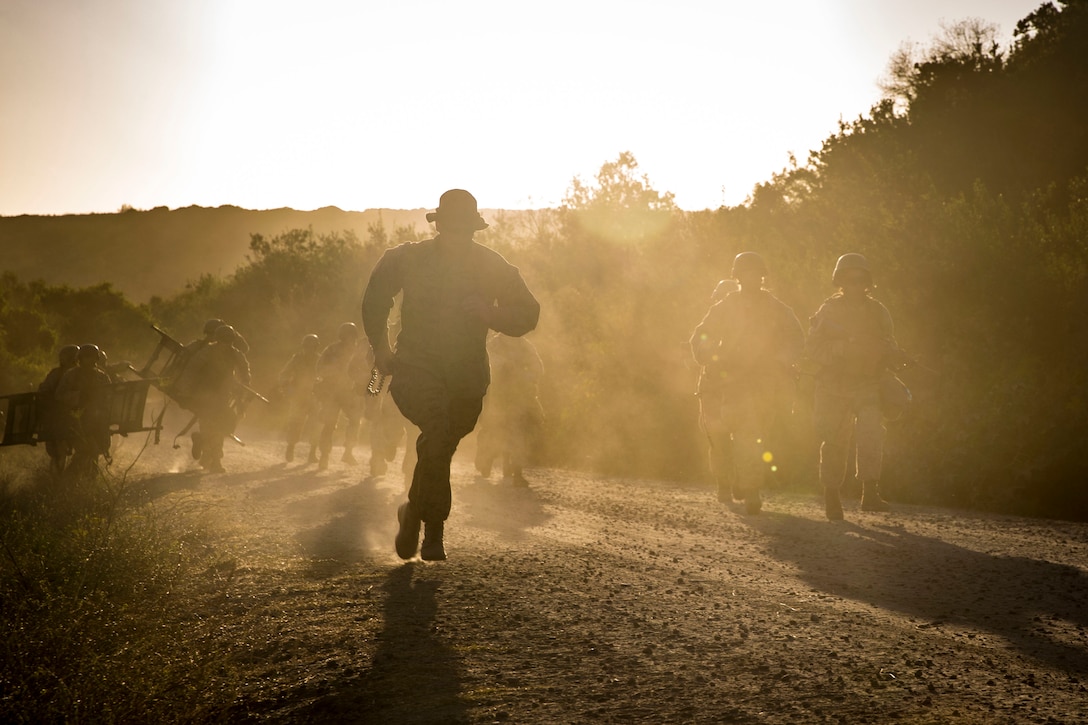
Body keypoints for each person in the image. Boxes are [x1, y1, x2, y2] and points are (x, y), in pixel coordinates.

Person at [362, 189, 540, 561]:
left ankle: (412, 510)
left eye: (464, 230)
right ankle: (434, 531)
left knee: (438, 444)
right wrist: (381, 348)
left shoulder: (492, 266)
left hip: (467, 378)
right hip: (415, 369)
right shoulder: (409, 258)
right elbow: (375, 297)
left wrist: (491, 315)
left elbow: (528, 313)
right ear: (439, 226)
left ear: (474, 230)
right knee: (438, 429)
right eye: (451, 228)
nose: (457, 236)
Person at [689, 252, 803, 514]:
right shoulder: (725, 307)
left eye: (756, 273)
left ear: (763, 276)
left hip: (760, 384)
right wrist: (712, 359)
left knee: (753, 437)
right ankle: (734, 487)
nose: (751, 278)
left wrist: (781, 359)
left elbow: (796, 337)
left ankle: (748, 487)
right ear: (737, 276)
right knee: (725, 437)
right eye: (745, 273)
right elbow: (701, 337)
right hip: (726, 384)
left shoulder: (776, 307)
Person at [804, 253, 911, 520]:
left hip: (867, 383)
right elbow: (813, 349)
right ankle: (832, 495)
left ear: (867, 282)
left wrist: (892, 355)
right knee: (834, 441)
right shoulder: (828, 311)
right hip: (834, 385)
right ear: (840, 281)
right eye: (849, 279)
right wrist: (843, 349)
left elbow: (889, 343)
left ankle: (870, 493)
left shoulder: (878, 311)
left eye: (860, 279)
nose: (855, 284)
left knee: (871, 434)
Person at [178, 324, 251, 473]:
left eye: (228, 341)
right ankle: (215, 460)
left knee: (219, 426)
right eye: (224, 341)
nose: (225, 345)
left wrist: (244, 386)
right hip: (205, 396)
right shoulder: (210, 352)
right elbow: (192, 369)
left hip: (220, 396)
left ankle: (204, 444)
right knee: (213, 426)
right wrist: (185, 390)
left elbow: (245, 371)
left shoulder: (223, 352)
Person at [474, 332, 545, 486]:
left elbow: (538, 367)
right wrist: (504, 369)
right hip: (499, 396)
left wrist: (527, 377)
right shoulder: (494, 344)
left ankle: (517, 471)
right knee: (492, 427)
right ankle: (487, 457)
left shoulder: (525, 345)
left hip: (521, 396)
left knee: (529, 425)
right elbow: (486, 364)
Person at [55, 344, 113, 479]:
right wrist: (78, 396)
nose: (90, 360)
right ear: (80, 358)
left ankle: (87, 480)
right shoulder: (71, 375)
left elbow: (110, 396)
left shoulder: (101, 376)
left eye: (92, 357)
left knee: (95, 451)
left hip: (97, 421)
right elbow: (59, 395)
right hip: (76, 420)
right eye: (87, 357)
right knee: (86, 451)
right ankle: (69, 480)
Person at [314, 322, 366, 471]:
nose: (349, 339)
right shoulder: (331, 350)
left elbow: (364, 369)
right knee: (329, 424)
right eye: (347, 336)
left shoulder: (357, 351)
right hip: (332, 392)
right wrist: (334, 372)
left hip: (349, 393)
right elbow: (320, 368)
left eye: (351, 336)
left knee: (355, 421)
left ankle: (348, 451)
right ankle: (324, 456)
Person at [278, 333, 321, 463]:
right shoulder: (297, 359)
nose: (309, 349)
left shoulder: (320, 360)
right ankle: (290, 447)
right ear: (304, 346)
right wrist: (286, 387)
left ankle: (312, 453)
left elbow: (326, 375)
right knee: (296, 423)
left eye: (312, 347)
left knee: (316, 424)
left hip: (315, 395)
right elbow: (284, 374)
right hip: (299, 395)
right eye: (308, 346)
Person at [38, 344, 80, 473]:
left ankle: (59, 476)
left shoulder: (59, 373)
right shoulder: (61, 373)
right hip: (67, 416)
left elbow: (44, 390)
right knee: (59, 450)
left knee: (59, 450)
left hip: (62, 417)